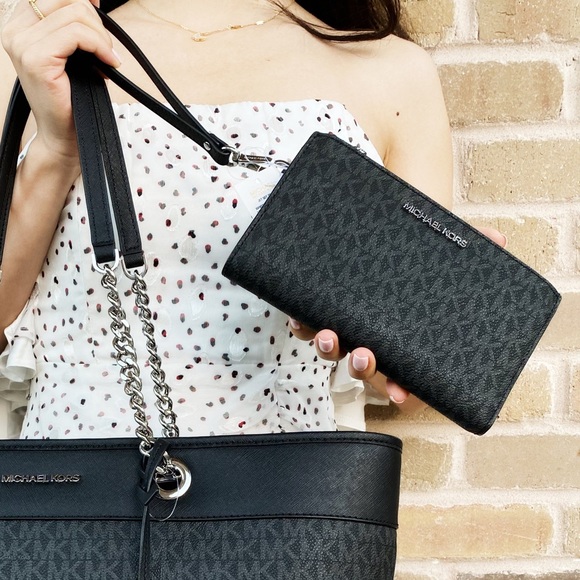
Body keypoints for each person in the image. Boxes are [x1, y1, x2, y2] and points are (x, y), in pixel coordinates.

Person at [0, 0, 506, 439]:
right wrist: (58, 147)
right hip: (76, 489)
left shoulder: (392, 71)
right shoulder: (42, 49)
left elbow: (418, 385)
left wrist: (408, 353)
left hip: (287, 496)